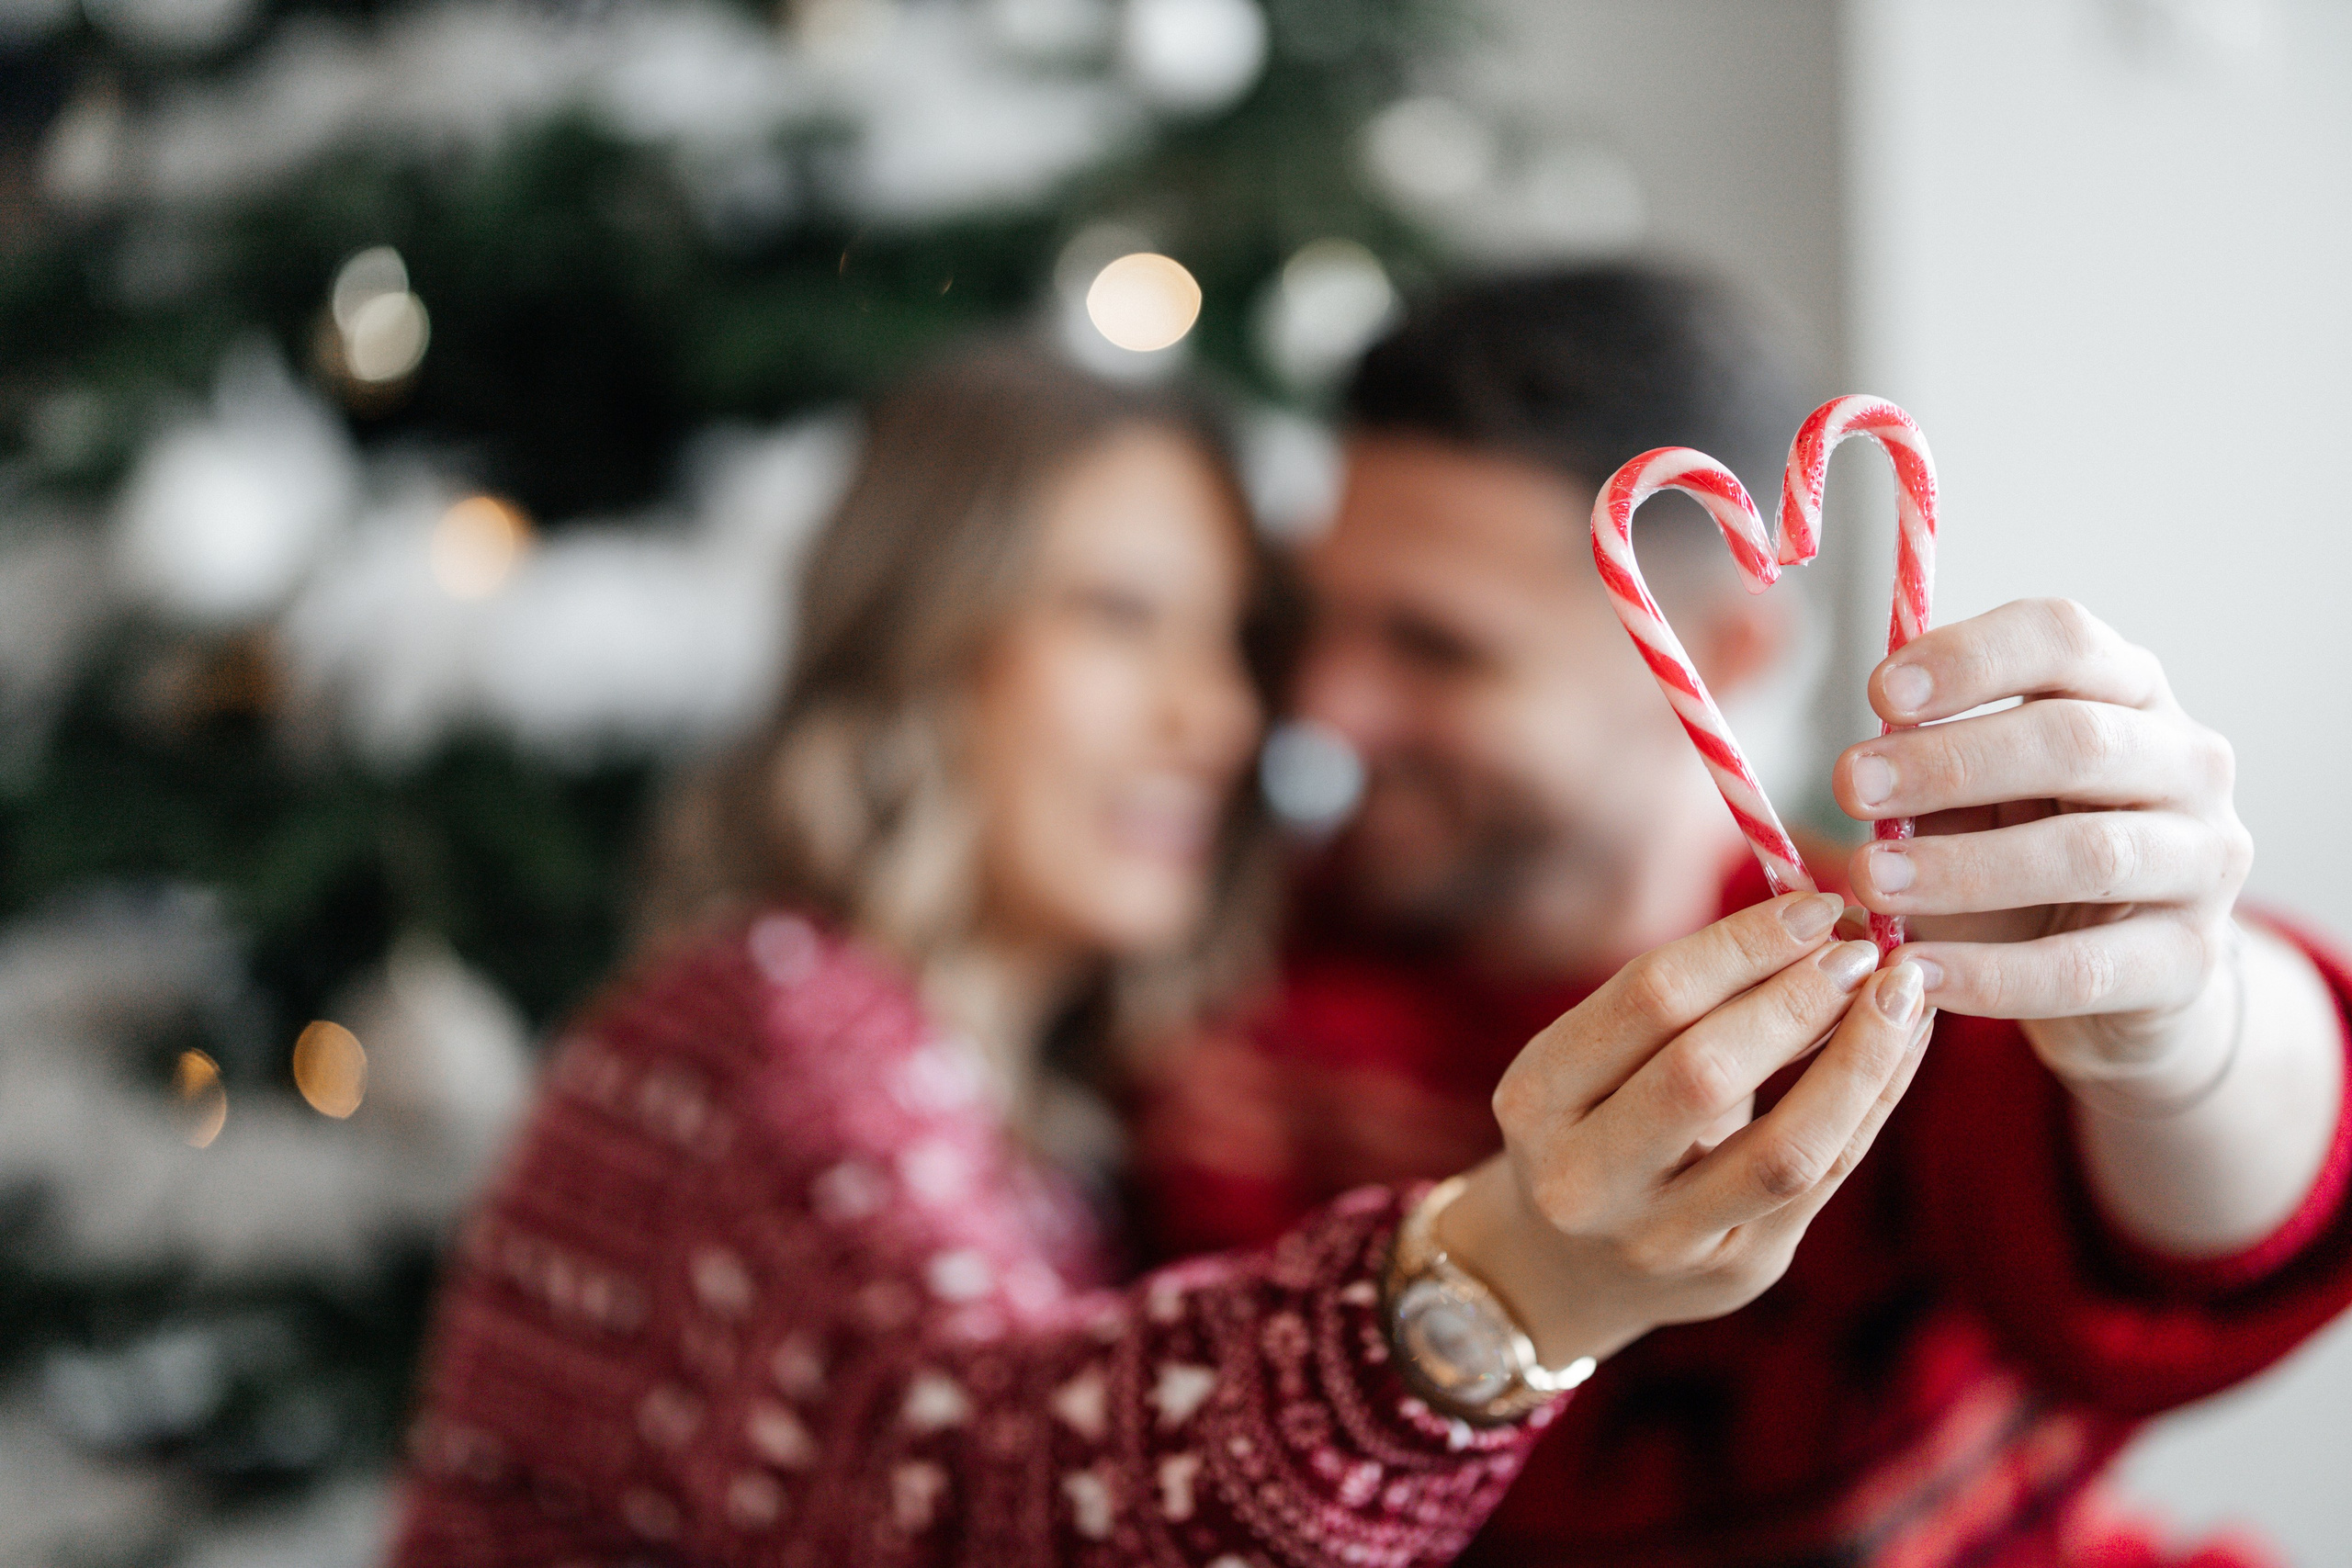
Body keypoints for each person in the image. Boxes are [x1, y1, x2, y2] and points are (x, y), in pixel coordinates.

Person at [402, 341, 1917, 1567]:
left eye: (1238, 646)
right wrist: (1508, 1289)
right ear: (921, 635)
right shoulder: (750, 1033)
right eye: (1121, 617)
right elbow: (960, 1489)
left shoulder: (1066, 1115)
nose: (1226, 719)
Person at [1132, 267, 2352, 1566]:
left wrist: (2189, 1023)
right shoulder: (1219, 993)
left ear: (1727, 651)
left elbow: (2217, 1218)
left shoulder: (1914, 957)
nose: (1324, 711)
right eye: (1321, 626)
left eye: (1438, 648)